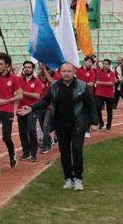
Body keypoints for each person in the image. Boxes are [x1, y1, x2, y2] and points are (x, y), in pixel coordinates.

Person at [18, 63, 97, 191]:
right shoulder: (54, 86)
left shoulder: (82, 86)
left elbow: (91, 104)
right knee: (64, 152)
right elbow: (45, 101)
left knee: (77, 151)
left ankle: (78, 179)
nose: (66, 73)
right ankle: (68, 178)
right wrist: (31, 108)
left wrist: (94, 122)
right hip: (61, 125)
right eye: (64, 71)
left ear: (74, 72)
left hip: (78, 125)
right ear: (60, 72)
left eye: (69, 71)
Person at [17, 61, 43, 162]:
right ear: (23, 69)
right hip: (20, 109)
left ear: (33, 69)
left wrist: (22, 92)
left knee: (31, 130)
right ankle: (26, 153)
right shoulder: (19, 80)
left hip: (32, 109)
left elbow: (37, 96)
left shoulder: (37, 81)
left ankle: (33, 153)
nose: (27, 69)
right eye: (25, 67)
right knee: (22, 132)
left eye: (29, 67)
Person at [76, 57, 96, 138]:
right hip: (77, 94)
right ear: (84, 61)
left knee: (86, 113)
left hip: (88, 95)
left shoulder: (91, 72)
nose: (90, 63)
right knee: (78, 112)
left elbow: (91, 84)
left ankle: (87, 130)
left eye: (91, 62)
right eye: (89, 61)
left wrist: (80, 84)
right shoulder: (77, 70)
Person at [94, 59, 116, 132]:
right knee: (97, 108)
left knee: (109, 110)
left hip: (109, 94)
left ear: (109, 65)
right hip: (99, 93)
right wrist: (95, 62)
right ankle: (101, 123)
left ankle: (108, 125)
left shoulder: (112, 73)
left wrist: (100, 82)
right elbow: (93, 68)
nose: (104, 65)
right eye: (103, 63)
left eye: (106, 64)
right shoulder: (98, 72)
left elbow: (111, 83)